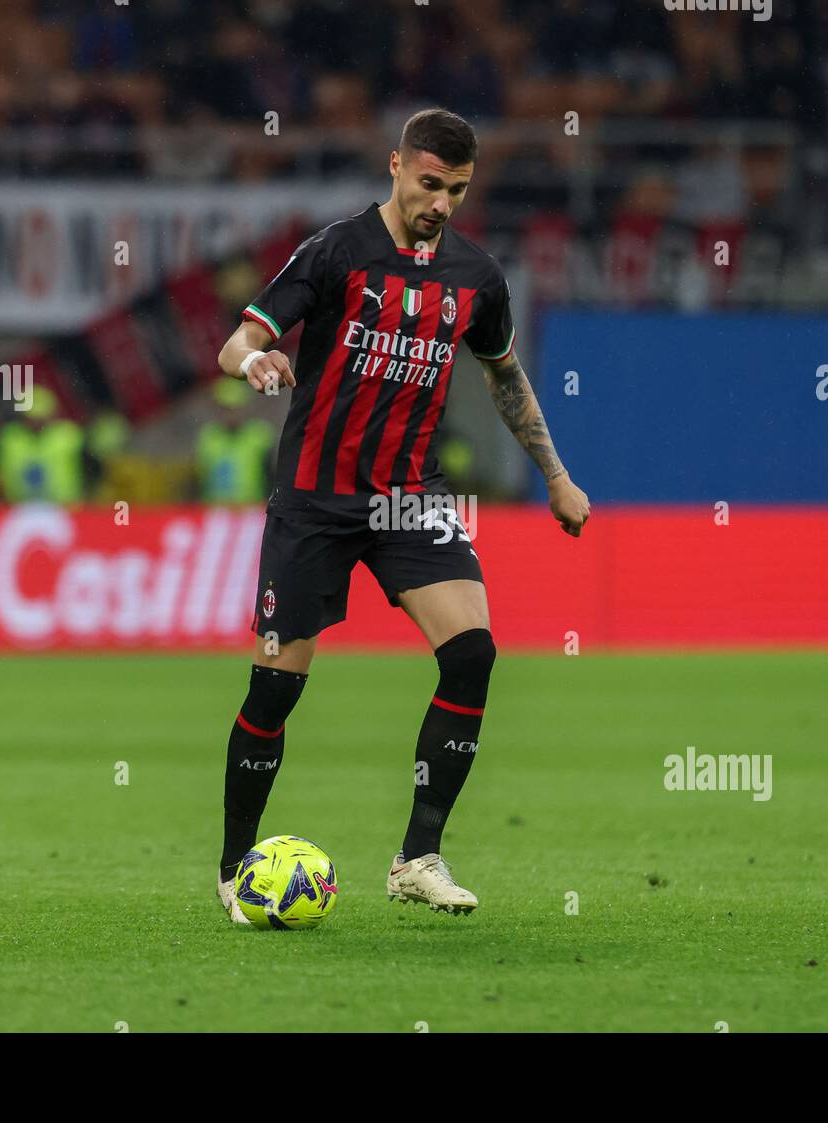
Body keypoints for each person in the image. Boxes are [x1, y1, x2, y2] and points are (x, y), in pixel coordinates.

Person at [213, 108, 590, 922]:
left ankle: (418, 855)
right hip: (314, 498)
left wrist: (556, 476)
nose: (441, 203)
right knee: (275, 692)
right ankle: (234, 865)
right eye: (428, 184)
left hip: (408, 497)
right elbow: (236, 343)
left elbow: (505, 377)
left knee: (474, 652)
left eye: (456, 190)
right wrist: (258, 360)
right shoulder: (336, 252)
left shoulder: (476, 278)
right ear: (394, 167)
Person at [0, 386, 86, 504]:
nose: (36, 422)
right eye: (32, 417)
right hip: (19, 508)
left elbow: (91, 470)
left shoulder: (69, 434)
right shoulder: (9, 436)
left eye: (40, 417)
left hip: (65, 507)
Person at [195, 376, 275, 504]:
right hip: (216, 511)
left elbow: (271, 477)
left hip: (252, 510)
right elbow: (199, 480)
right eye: (225, 409)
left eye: (234, 409)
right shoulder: (208, 437)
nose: (230, 414)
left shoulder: (259, 436)